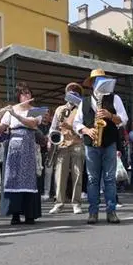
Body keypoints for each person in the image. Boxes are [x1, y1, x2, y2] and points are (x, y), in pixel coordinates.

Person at [73, 69, 128, 224]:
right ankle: (93, 212)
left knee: (110, 179)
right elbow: (76, 123)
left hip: (109, 142)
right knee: (92, 179)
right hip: (91, 144)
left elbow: (124, 119)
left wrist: (110, 115)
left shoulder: (114, 98)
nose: (99, 82)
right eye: (96, 80)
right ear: (92, 84)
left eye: (101, 79)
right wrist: (86, 130)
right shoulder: (84, 101)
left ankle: (111, 212)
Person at [0, 81, 43, 225]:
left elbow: (33, 124)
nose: (26, 96)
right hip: (14, 146)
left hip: (28, 145)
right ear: (18, 96)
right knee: (13, 177)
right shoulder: (10, 109)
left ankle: (30, 214)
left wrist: (16, 115)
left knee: (28, 178)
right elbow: (0, 130)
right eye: (23, 93)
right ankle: (15, 214)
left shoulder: (36, 110)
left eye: (28, 93)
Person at [49, 83, 84, 214]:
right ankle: (59, 203)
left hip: (77, 143)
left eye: (76, 92)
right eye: (70, 92)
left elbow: (84, 129)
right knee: (59, 175)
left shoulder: (81, 109)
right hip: (62, 144)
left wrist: (70, 127)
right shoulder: (59, 109)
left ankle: (76, 203)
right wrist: (52, 138)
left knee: (78, 174)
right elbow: (52, 128)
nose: (73, 93)